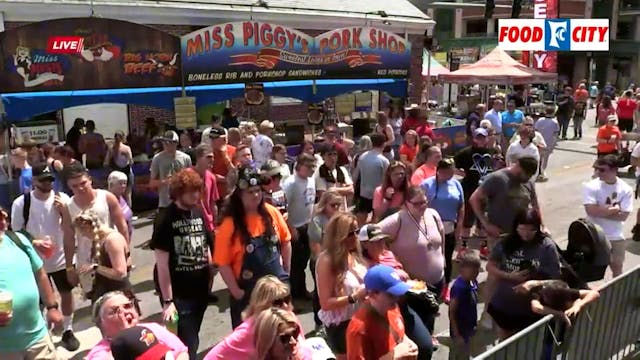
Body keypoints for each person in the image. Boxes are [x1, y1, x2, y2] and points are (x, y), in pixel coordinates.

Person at [9, 163, 79, 351]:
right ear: (33, 180)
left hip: (61, 257)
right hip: (35, 261)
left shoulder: (62, 199)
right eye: (43, 180)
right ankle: (42, 332)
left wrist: (64, 212)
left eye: (50, 180)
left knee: (66, 293)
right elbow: (16, 233)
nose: (47, 184)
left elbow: (70, 229)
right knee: (37, 300)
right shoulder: (22, 203)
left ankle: (67, 329)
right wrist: (35, 243)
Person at [215, 165, 292, 329]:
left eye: (258, 190)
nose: (256, 195)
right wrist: (236, 292)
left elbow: (286, 242)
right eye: (250, 192)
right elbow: (222, 263)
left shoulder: (271, 212)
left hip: (276, 291)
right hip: (248, 296)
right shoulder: (229, 224)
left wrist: (286, 271)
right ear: (239, 195)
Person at [150, 168, 213, 360]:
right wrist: (168, 301)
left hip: (200, 290)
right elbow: (162, 264)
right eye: (190, 191)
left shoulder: (197, 211)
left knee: (193, 336)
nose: (195, 195)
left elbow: (206, 245)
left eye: (197, 190)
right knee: (187, 344)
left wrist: (211, 272)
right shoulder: (165, 218)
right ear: (178, 192)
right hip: (179, 295)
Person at [357, 225, 434, 359]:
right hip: (383, 311)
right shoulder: (364, 265)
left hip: (402, 304)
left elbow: (404, 276)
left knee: (424, 346)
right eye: (376, 242)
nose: (381, 244)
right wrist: (395, 275)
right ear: (364, 245)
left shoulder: (388, 254)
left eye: (382, 240)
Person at [486, 209, 561, 340]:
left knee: (528, 345)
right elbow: (490, 266)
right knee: (505, 343)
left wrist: (533, 284)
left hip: (532, 309)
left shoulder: (546, 247)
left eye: (531, 230)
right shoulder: (506, 243)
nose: (526, 234)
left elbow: (556, 280)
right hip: (504, 305)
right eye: (522, 229)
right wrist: (509, 276)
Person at [0, 206, 63, 359]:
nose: (2, 220)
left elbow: (40, 274)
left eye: (2, 216)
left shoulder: (19, 240)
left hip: (38, 339)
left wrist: (52, 307)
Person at [204, 276, 311, 360]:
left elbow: (302, 346)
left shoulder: (290, 317)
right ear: (262, 304)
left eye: (287, 299)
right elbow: (213, 356)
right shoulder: (247, 331)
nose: (285, 306)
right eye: (277, 302)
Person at [63, 162, 130, 288]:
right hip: (86, 261)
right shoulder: (68, 207)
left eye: (83, 183)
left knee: (122, 294)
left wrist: (127, 254)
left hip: (111, 255)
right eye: (75, 186)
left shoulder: (106, 197)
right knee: (96, 298)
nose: (80, 188)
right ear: (69, 186)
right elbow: (69, 239)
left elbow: (122, 226)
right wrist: (69, 268)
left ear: (89, 179)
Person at [316, 213, 368, 359]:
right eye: (350, 233)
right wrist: (354, 297)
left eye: (357, 231)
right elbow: (326, 304)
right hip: (341, 326)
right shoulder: (327, 261)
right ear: (339, 236)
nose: (355, 237)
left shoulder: (351, 254)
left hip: (360, 318)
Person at [87, 290, 188, 360]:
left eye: (127, 306)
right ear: (101, 323)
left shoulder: (153, 328)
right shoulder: (100, 353)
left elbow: (181, 351)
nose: (125, 312)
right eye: (115, 311)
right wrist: (125, 336)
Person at [346, 264, 419, 360]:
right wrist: (393, 355)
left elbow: (398, 333)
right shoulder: (358, 329)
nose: (397, 298)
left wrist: (407, 342)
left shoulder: (392, 307)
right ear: (373, 294)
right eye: (391, 294)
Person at [421, 158, 464, 303]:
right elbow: (419, 206)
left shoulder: (456, 183)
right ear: (439, 171)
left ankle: (446, 288)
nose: (450, 174)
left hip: (449, 227)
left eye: (452, 170)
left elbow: (461, 206)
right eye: (447, 171)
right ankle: (428, 287)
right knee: (430, 259)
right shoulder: (427, 185)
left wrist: (459, 227)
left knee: (447, 260)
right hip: (430, 228)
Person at [583, 155, 633, 277]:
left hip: (615, 235)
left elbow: (623, 216)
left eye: (602, 170)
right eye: (596, 169)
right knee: (589, 269)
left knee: (617, 268)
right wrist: (614, 209)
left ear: (614, 170)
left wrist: (601, 211)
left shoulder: (626, 189)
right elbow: (590, 211)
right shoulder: (591, 186)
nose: (598, 173)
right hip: (595, 235)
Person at [73, 209, 131, 302]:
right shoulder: (98, 240)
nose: (83, 235)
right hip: (104, 292)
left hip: (118, 294)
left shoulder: (112, 240)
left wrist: (96, 268)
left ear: (88, 227)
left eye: (82, 231)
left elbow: (120, 273)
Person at [282, 153, 317, 300]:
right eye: (309, 166)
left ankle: (301, 290)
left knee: (304, 260)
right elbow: (285, 208)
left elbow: (311, 203)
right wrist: (291, 228)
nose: (312, 169)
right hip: (295, 227)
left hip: (308, 224)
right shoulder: (291, 183)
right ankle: (295, 294)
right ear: (300, 166)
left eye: (313, 166)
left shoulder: (310, 180)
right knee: (296, 264)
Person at [308, 190, 344, 329]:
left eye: (338, 205)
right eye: (333, 205)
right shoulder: (317, 221)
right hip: (321, 263)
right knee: (320, 295)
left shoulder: (341, 219)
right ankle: (319, 324)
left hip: (338, 260)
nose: (336, 208)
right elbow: (315, 247)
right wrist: (325, 265)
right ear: (324, 205)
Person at [513, 279, 600, 326]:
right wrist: (559, 314)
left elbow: (594, 293)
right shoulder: (560, 293)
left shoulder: (564, 292)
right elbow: (536, 307)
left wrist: (578, 306)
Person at [448, 252, 481, 360]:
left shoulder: (473, 282)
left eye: (477, 271)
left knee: (465, 354)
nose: (475, 274)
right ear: (462, 269)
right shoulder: (459, 287)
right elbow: (452, 312)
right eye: (472, 271)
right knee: (458, 354)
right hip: (460, 330)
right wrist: (457, 335)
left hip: (469, 328)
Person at [353, 133, 390, 225]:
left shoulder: (363, 156)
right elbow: (387, 179)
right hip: (378, 194)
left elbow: (355, 176)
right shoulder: (384, 160)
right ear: (384, 144)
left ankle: (359, 234)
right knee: (376, 218)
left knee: (361, 217)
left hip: (364, 193)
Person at [150, 130, 192, 211]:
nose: (166, 144)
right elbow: (152, 183)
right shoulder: (157, 158)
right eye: (164, 142)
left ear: (176, 143)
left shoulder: (185, 158)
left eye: (169, 142)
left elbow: (190, 179)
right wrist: (165, 182)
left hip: (182, 201)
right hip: (165, 203)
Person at [192, 144, 219, 234]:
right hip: (192, 223)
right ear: (199, 158)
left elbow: (213, 202)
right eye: (208, 157)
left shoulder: (211, 177)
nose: (212, 159)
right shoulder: (187, 176)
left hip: (208, 224)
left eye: (213, 157)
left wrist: (216, 222)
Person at [105, 131, 133, 205]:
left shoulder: (111, 149)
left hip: (116, 172)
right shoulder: (126, 148)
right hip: (126, 171)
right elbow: (131, 161)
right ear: (123, 138)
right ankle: (128, 212)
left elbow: (106, 162)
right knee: (128, 193)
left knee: (114, 193)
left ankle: (116, 210)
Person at [209, 125, 236, 203]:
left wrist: (225, 156)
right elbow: (208, 174)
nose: (212, 141)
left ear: (224, 139)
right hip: (215, 195)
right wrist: (226, 179)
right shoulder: (209, 152)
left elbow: (235, 173)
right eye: (211, 138)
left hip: (231, 193)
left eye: (215, 138)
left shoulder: (233, 151)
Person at [535, 106, 560, 181]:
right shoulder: (555, 122)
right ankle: (542, 172)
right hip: (548, 143)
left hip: (539, 142)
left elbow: (535, 130)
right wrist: (554, 144)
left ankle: (538, 172)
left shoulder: (540, 120)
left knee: (538, 158)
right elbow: (556, 134)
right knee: (545, 159)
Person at [107, 171, 133, 239]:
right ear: (111, 184)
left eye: (124, 183)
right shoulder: (107, 200)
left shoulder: (121, 198)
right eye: (120, 183)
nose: (123, 186)